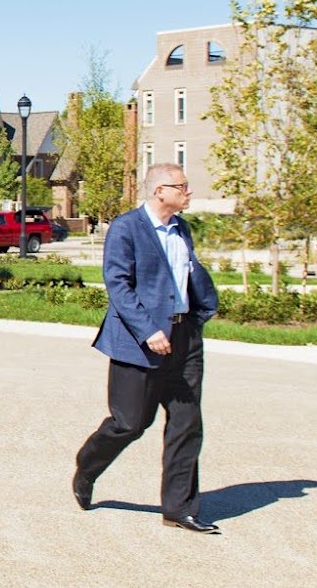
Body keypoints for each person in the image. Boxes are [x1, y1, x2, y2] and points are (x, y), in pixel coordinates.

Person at [72, 164, 222, 533]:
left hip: (183, 338)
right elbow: (118, 284)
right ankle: (87, 467)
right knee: (131, 423)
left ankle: (180, 508)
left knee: (187, 425)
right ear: (159, 191)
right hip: (140, 343)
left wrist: (197, 315)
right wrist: (148, 330)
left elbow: (185, 276)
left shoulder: (181, 228)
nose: (189, 192)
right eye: (182, 186)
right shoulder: (127, 228)